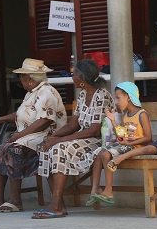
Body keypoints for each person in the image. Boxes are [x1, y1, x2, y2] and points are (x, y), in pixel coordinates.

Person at [0, 59, 67, 212]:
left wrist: (19, 136)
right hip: (30, 136)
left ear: (29, 79)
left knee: (13, 149)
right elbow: (20, 114)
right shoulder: (31, 93)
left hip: (46, 136)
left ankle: (15, 200)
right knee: (1, 149)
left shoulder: (47, 92)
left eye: (22, 77)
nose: (21, 80)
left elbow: (44, 121)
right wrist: (0, 119)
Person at [34, 59, 113, 219]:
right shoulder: (83, 95)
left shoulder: (102, 95)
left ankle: (55, 205)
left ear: (82, 79)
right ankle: (59, 204)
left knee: (59, 148)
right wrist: (53, 137)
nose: (72, 77)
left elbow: (94, 130)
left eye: (74, 74)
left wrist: (59, 141)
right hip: (83, 138)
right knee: (46, 147)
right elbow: (73, 125)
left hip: (98, 141)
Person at [85, 82, 152, 206]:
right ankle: (95, 189)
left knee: (105, 155)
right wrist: (113, 121)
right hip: (126, 145)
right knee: (99, 152)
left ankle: (109, 190)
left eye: (118, 98)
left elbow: (148, 138)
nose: (116, 102)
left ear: (129, 97)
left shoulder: (142, 114)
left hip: (137, 147)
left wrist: (130, 142)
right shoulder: (126, 115)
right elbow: (122, 135)